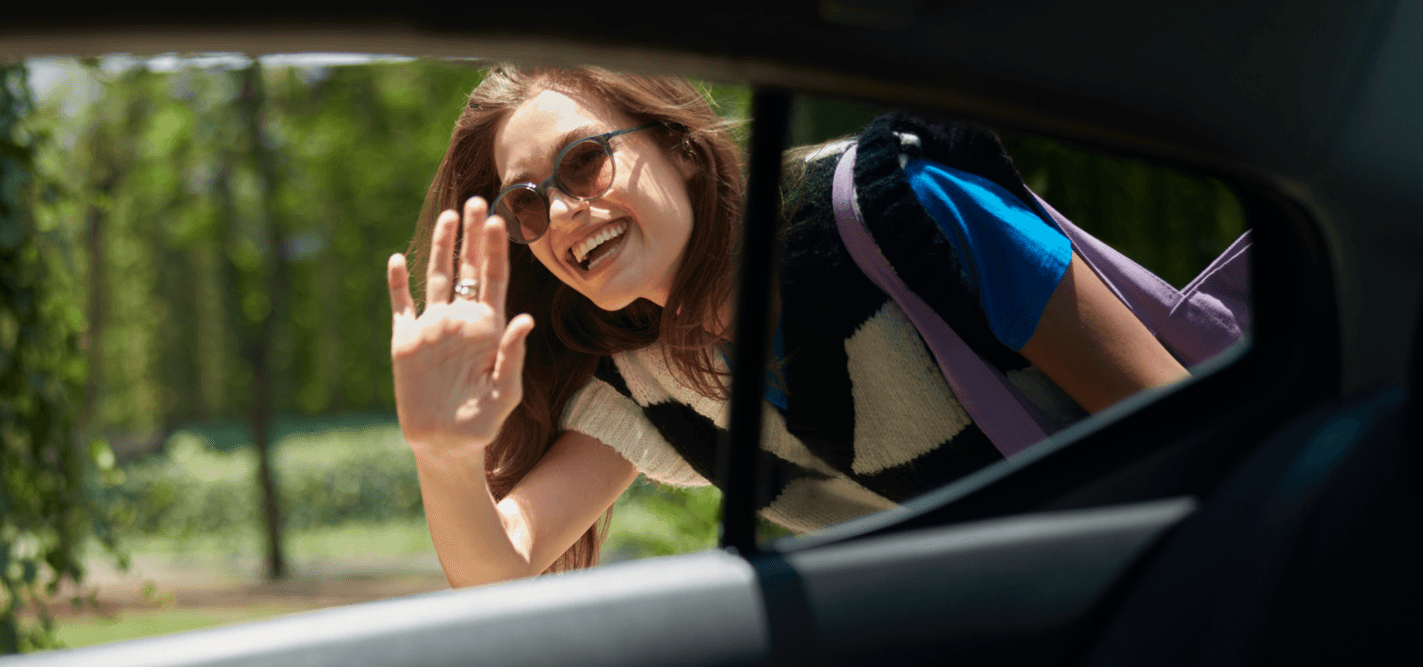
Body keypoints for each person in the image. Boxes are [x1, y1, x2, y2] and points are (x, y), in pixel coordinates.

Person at [388, 65, 1188, 588]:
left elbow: (1185, 432)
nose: (561, 211)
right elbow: (501, 571)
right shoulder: (646, 380)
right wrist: (443, 450)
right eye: (526, 201)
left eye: (584, 162)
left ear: (680, 148)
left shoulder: (901, 208)